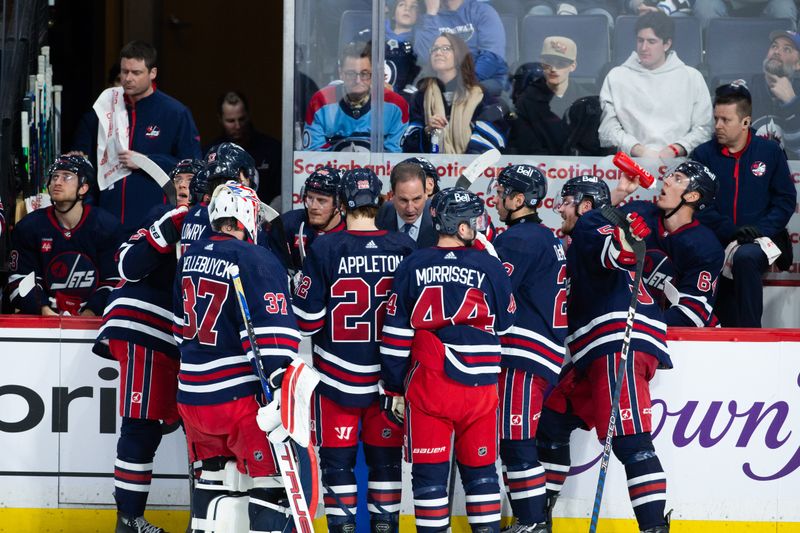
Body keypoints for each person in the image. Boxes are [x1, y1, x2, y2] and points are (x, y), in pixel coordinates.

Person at [536, 175, 672, 533]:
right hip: (597, 351)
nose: (559, 209)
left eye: (565, 201)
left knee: (632, 441)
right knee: (553, 420)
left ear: (583, 204)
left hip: (616, 344)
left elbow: (618, 254)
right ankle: (539, 520)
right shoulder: (587, 231)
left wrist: (625, 240)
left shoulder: (590, 222)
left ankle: (654, 528)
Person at [379, 187, 515, 533]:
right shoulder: (488, 264)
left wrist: (394, 386)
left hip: (431, 385)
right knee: (482, 473)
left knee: (429, 477)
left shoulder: (413, 263)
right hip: (481, 388)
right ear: (463, 226)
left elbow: (396, 336)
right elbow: (506, 321)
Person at [292, 168, 416, 533]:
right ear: (381, 201)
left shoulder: (326, 246)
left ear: (343, 204)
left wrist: (298, 286)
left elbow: (307, 321)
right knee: (386, 464)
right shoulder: (405, 248)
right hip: (388, 383)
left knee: (338, 464)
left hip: (336, 380)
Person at [173, 182, 300, 533]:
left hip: (193, 400)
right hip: (239, 403)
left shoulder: (190, 256)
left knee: (213, 484)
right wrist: (279, 392)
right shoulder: (254, 257)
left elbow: (177, 328)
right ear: (246, 216)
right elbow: (273, 341)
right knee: (271, 485)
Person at [93, 159, 202, 533]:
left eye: (193, 179)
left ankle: (201, 518)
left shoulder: (211, 223)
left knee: (195, 431)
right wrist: (170, 225)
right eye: (180, 179)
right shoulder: (163, 214)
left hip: (178, 339)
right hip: (143, 327)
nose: (185, 185)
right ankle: (128, 519)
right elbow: (126, 265)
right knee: (140, 425)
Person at [490, 165, 567, 532]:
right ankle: (532, 521)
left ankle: (533, 523)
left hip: (525, 354)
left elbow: (492, 292)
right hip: (539, 353)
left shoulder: (519, 240)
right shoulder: (542, 236)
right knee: (514, 441)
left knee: (517, 442)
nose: (497, 197)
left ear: (519, 200)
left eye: (503, 191)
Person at [691, 83, 796, 327]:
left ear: (746, 122)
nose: (717, 126)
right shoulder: (703, 155)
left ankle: (752, 335)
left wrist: (761, 230)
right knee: (704, 257)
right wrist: (731, 230)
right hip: (718, 238)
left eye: (725, 120)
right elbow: (698, 203)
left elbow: (785, 199)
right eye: (716, 118)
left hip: (762, 239)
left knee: (746, 257)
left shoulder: (769, 151)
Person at [74, 41, 202, 232]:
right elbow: (89, 164)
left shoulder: (175, 113)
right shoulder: (104, 108)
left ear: (153, 73)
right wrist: (90, 211)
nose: (128, 78)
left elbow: (193, 166)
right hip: (107, 218)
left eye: (136, 72)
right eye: (124, 72)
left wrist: (147, 161)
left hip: (154, 220)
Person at [612, 161, 725, 327]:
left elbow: (691, 314)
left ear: (692, 196)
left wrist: (640, 327)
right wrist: (619, 193)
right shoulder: (639, 212)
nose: (667, 180)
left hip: (684, 340)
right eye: (671, 175)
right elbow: (589, 233)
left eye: (678, 179)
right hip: (632, 325)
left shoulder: (706, 247)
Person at [8, 155, 121, 316]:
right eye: (54, 177)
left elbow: (113, 280)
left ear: (83, 187)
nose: (57, 182)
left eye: (67, 177)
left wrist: (90, 312)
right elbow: (20, 280)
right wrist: (44, 310)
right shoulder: (29, 227)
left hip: (95, 322)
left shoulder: (107, 227)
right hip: (44, 320)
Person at [598, 12, 712, 159]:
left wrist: (675, 149)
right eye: (640, 40)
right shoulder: (616, 76)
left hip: (679, 164)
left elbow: (704, 129)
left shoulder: (692, 77)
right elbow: (607, 129)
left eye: (651, 42)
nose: (644, 47)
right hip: (630, 162)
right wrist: (638, 149)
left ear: (667, 44)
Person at [402, 33, 508, 154]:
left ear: (459, 55)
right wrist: (427, 131)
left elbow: (492, 138)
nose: (438, 52)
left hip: (470, 169)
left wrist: (463, 167)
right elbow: (408, 145)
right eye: (435, 49)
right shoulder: (420, 97)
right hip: (432, 169)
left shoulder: (480, 96)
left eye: (446, 48)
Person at [303, 41, 410, 153]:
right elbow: (313, 155)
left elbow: (394, 157)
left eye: (364, 73)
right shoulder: (321, 101)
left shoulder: (396, 105)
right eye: (351, 74)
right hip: (332, 170)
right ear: (341, 73)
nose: (358, 80)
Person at [508, 37, 596, 156]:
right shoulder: (526, 100)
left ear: (573, 66)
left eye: (561, 63)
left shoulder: (587, 102)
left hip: (579, 168)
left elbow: (591, 146)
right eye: (547, 63)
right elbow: (526, 146)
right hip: (540, 167)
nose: (553, 69)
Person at [414, 0, 508, 95]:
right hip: (442, 81)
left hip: (482, 81)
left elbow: (492, 57)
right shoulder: (427, 19)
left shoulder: (482, 11)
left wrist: (461, 83)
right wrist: (431, 13)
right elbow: (424, 57)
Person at [205, 91, 282, 204]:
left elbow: (282, 193)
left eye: (241, 119)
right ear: (220, 119)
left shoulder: (272, 149)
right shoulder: (212, 153)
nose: (237, 126)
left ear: (249, 115)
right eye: (230, 121)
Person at [268, 166, 346, 275]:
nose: (313, 206)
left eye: (322, 200)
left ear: (340, 204)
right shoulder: (288, 224)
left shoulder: (351, 230)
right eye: (310, 198)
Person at [748, 30, 800, 159]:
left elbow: (798, 150)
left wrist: (790, 102)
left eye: (787, 49)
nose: (777, 51)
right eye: (774, 46)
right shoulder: (746, 89)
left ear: (798, 64)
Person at [376, 161, 437, 247]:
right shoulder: (380, 216)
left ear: (426, 194)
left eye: (416, 199)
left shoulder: (438, 217)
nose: (410, 209)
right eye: (403, 200)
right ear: (392, 196)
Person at [693, 0, 796, 30]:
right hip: (725, 4)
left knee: (783, 8)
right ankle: (710, 61)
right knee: (706, 6)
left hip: (768, 4)